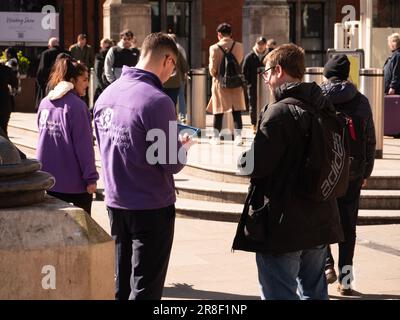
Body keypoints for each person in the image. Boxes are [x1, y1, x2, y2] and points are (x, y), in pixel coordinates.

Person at [234, 43, 344, 300]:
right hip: (320, 217)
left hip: (284, 225)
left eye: (266, 73)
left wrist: (242, 158)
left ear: (278, 70)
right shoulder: (323, 106)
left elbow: (255, 165)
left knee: (278, 293)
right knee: (315, 293)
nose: (264, 80)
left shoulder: (279, 112)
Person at [94, 32, 193, 300]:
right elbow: (171, 163)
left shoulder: (106, 94)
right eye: (174, 67)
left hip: (116, 201)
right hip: (150, 205)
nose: (172, 73)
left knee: (122, 283)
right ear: (168, 60)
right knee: (146, 288)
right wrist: (183, 148)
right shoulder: (157, 100)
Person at [320, 54, 376, 295]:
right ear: (347, 75)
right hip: (352, 172)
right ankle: (346, 280)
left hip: (324, 172)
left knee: (320, 220)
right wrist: (366, 171)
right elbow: (369, 140)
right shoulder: (361, 101)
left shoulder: (318, 98)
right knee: (348, 226)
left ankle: (326, 264)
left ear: (326, 73)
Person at [36, 54, 98, 215]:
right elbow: (84, 147)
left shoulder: (44, 103)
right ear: (72, 80)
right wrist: (91, 178)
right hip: (74, 185)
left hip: (47, 181)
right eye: (84, 80)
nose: (87, 85)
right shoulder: (77, 107)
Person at [207, 22, 246, 145]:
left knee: (218, 110)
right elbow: (239, 62)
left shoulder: (214, 48)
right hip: (235, 81)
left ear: (219, 34)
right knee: (237, 110)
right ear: (231, 33)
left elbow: (213, 70)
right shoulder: (239, 46)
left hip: (220, 82)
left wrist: (215, 73)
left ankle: (216, 138)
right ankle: (239, 137)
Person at [243, 36, 268, 134]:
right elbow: (244, 71)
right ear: (256, 44)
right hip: (253, 85)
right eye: (259, 44)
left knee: (267, 104)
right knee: (253, 105)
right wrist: (249, 82)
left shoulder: (269, 55)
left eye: (262, 44)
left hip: (267, 85)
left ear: (265, 45)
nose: (261, 46)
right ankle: (254, 124)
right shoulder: (250, 56)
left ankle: (265, 122)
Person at [36, 37, 67, 110]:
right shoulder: (65, 53)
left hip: (48, 83)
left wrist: (41, 83)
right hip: (62, 83)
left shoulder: (46, 53)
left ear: (49, 45)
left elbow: (41, 70)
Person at [163, 34, 190, 114]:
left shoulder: (160, 52)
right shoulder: (177, 51)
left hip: (163, 82)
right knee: (172, 105)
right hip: (175, 83)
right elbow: (185, 66)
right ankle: (172, 125)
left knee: (162, 105)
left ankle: (163, 124)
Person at [0, 63, 18, 136]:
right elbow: (15, 83)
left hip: (4, 104)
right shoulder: (6, 69)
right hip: (4, 104)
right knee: (3, 129)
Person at [94, 38, 113, 104]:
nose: (100, 45)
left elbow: (98, 72)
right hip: (105, 83)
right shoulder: (100, 56)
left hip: (106, 83)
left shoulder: (108, 55)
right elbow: (98, 72)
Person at [5, 47, 21, 112]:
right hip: (11, 82)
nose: (5, 55)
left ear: (9, 54)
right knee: (10, 97)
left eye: (6, 53)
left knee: (10, 97)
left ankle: (11, 110)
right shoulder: (12, 61)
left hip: (11, 83)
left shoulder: (12, 61)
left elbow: (11, 72)